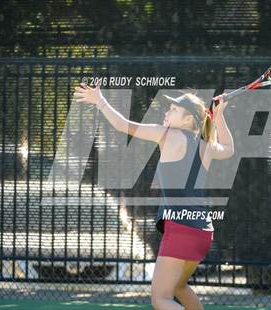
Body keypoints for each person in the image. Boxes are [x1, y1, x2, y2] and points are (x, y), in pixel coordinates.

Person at [74, 83, 234, 310]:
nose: (167, 112)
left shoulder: (168, 135)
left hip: (182, 229)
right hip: (202, 231)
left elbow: (123, 125)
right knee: (178, 287)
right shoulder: (205, 145)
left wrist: (100, 100)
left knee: (161, 299)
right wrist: (219, 117)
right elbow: (229, 149)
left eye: (174, 110)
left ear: (189, 120)